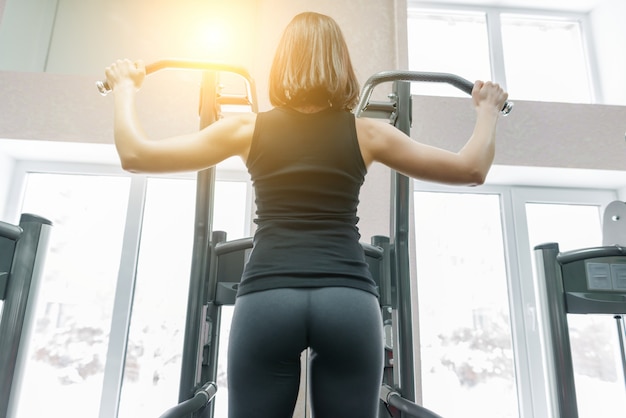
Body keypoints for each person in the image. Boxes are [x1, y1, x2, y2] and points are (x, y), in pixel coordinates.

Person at [104, 11, 508, 418]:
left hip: (268, 297)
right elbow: (471, 169)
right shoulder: (368, 132)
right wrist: (487, 110)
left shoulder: (246, 128)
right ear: (341, 64)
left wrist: (124, 89)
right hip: (348, 300)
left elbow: (135, 155)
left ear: (282, 63)